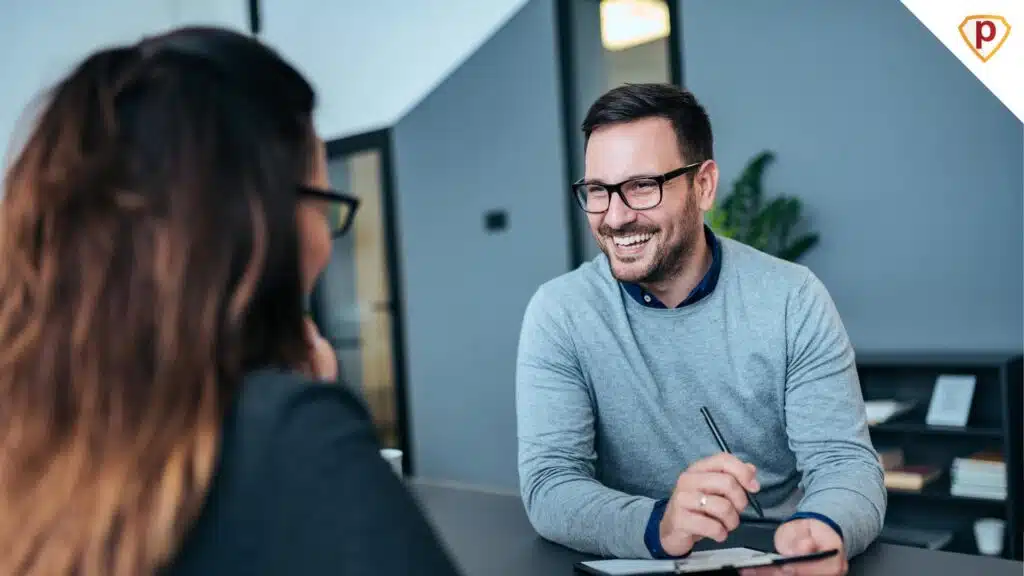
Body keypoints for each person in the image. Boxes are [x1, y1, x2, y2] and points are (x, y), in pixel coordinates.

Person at [0, 27, 460, 576]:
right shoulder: (288, 437)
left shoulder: (30, 436)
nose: (322, 245)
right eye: (321, 200)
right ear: (254, 225)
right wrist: (302, 413)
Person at [515, 83, 884, 575]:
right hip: (637, 558)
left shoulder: (792, 297)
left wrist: (823, 526)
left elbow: (845, 462)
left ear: (704, 185)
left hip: (773, 558)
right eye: (598, 191)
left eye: (643, 185)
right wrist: (662, 524)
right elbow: (550, 484)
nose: (616, 216)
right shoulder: (560, 312)